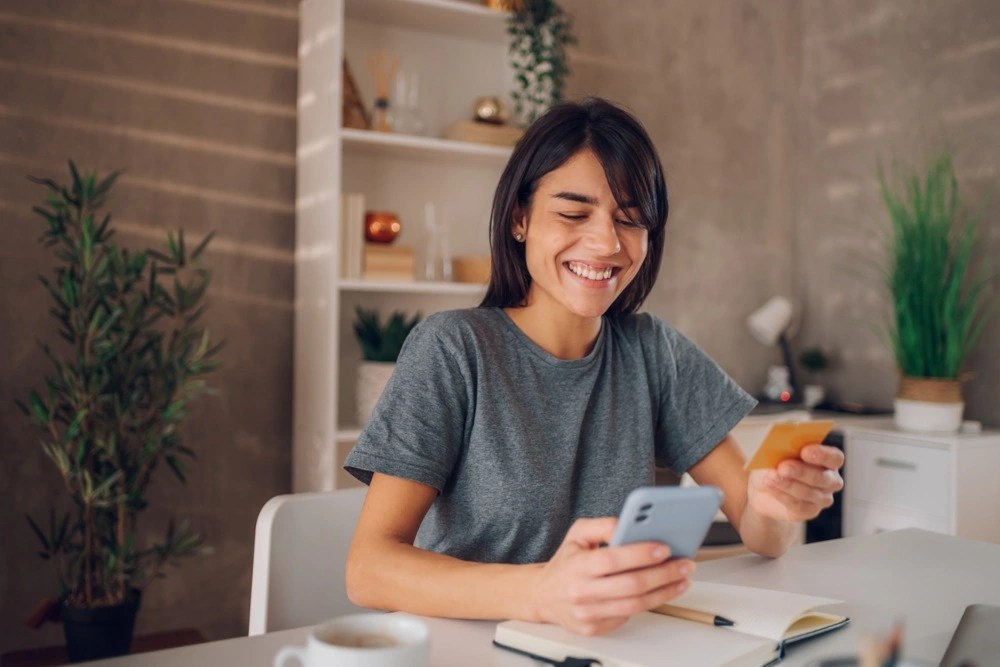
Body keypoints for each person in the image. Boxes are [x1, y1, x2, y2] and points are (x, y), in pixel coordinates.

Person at [343, 97, 844, 636]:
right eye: (573, 213)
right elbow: (368, 569)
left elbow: (761, 534)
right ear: (519, 218)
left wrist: (775, 506)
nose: (607, 242)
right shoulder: (452, 350)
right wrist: (543, 593)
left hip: (609, 647)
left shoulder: (654, 352)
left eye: (630, 219)